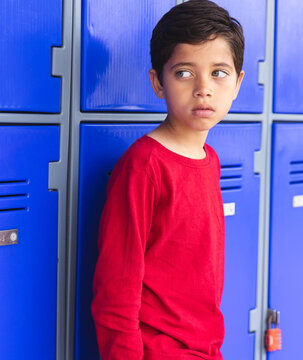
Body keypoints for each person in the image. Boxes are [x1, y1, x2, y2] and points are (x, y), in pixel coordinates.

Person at [91, 1, 245, 359]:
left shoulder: (211, 159)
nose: (203, 88)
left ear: (238, 83)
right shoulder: (144, 165)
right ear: (158, 82)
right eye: (184, 73)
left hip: (205, 348)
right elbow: (116, 287)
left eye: (218, 73)